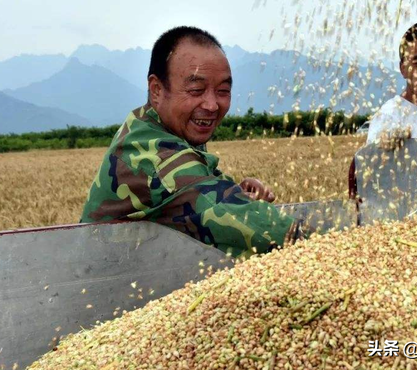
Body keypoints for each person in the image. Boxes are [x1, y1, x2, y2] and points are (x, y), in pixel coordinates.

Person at [81, 26, 301, 258]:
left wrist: (236, 192)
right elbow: (245, 222)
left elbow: (198, 188)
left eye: (223, 90)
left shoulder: (160, 124)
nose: (212, 105)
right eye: (196, 90)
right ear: (156, 90)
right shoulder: (152, 155)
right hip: (102, 285)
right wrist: (326, 246)